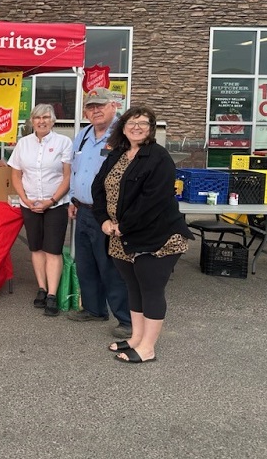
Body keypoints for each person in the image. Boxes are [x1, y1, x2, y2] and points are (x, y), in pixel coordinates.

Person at [92, 106, 194, 364]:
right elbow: (99, 188)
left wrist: (123, 225)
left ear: (151, 128)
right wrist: (104, 220)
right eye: (131, 122)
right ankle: (137, 338)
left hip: (156, 237)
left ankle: (147, 347)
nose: (136, 127)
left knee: (151, 289)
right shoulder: (117, 154)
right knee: (133, 287)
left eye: (143, 123)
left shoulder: (159, 157)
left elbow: (154, 200)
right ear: (123, 126)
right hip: (119, 234)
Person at [67, 88, 132, 339]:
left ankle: (126, 319)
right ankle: (94, 309)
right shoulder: (82, 135)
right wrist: (73, 197)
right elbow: (75, 169)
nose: (95, 110)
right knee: (86, 265)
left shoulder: (123, 135)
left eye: (100, 105)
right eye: (91, 107)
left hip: (107, 213)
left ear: (113, 106)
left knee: (111, 267)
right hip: (82, 209)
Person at [7, 103, 73, 317]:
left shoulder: (64, 142)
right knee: (35, 248)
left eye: (46, 117)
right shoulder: (23, 144)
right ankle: (42, 288)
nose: (41, 121)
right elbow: (16, 175)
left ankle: (53, 294)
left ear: (53, 120)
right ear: (32, 121)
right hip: (29, 204)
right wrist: (25, 199)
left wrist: (52, 200)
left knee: (52, 249)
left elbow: (67, 176)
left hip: (55, 204)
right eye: (37, 118)